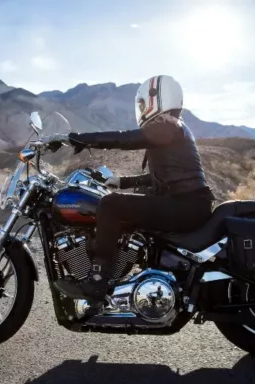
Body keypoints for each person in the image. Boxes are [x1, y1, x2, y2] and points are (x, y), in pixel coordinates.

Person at [47, 75, 216, 302]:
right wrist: (121, 182)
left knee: (110, 204)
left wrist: (78, 139)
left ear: (158, 98)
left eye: (143, 104)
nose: (142, 109)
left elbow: (124, 139)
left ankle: (96, 282)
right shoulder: (173, 128)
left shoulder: (168, 125)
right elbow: (163, 177)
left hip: (186, 206)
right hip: (187, 204)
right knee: (118, 201)